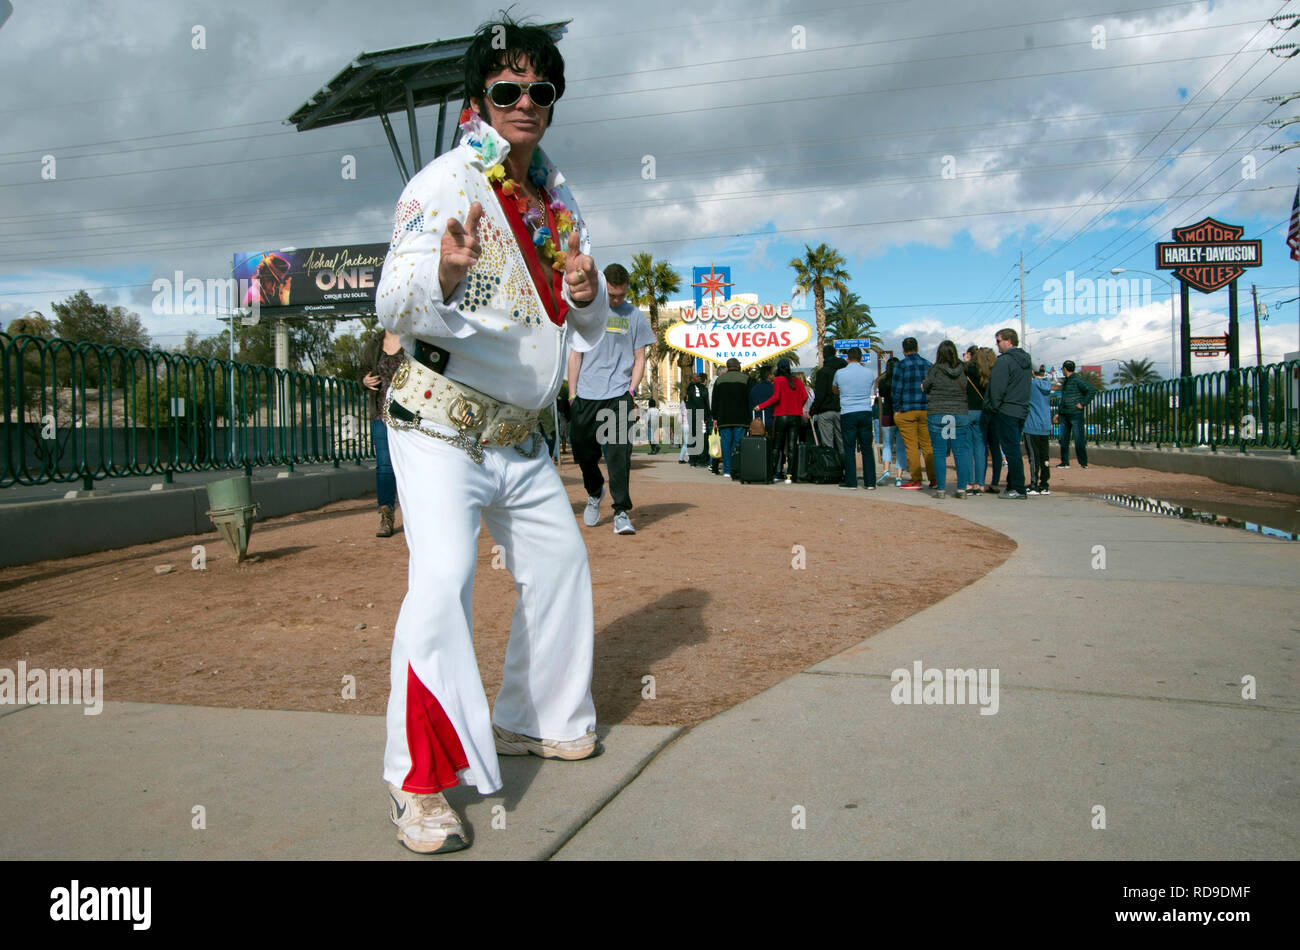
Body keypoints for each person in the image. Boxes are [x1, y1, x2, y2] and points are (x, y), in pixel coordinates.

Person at [374, 16, 609, 855]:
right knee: (443, 576)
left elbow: (585, 311)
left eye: (539, 90)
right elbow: (392, 297)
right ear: (481, 99)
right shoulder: (446, 182)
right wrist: (441, 268)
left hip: (519, 437)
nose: (525, 103)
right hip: (439, 422)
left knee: (560, 562)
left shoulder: (556, 191)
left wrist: (584, 289)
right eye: (507, 89)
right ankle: (419, 783)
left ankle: (529, 716)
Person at [567, 263, 654, 535]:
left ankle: (621, 512)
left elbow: (640, 357)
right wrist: (572, 394)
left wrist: (631, 390)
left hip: (619, 394)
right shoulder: (587, 312)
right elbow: (576, 354)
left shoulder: (635, 317)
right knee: (583, 452)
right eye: (613, 295)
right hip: (586, 394)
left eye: (622, 295)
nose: (617, 300)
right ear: (603, 287)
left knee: (618, 454)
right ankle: (594, 492)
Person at [360, 328, 405, 536]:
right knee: (385, 466)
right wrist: (364, 381)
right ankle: (386, 515)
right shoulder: (374, 344)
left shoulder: (412, 339)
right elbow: (361, 372)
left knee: (411, 466)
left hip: (409, 416)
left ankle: (418, 514)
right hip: (380, 415)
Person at [984, 328, 1032, 499]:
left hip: (1006, 410)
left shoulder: (1004, 361)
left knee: (1011, 450)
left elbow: (996, 388)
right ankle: (1013, 484)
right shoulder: (1025, 361)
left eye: (998, 341)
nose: (996, 345)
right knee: (1014, 449)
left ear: (1008, 341)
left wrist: (994, 407)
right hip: (1021, 409)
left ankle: (1018, 488)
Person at [921, 340, 971, 499]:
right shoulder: (963, 369)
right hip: (959, 413)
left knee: (939, 452)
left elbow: (926, 387)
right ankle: (961, 489)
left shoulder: (934, 370)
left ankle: (941, 489)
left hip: (938, 413)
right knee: (960, 452)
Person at [890, 337, 935, 490]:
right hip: (925, 409)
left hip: (907, 410)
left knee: (911, 447)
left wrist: (896, 409)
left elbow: (896, 389)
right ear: (917, 347)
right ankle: (934, 479)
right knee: (928, 446)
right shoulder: (928, 365)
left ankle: (916, 479)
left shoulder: (901, 365)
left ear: (903, 349)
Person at [754, 358, 809, 482]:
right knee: (791, 446)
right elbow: (805, 396)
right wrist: (797, 406)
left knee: (777, 446)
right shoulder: (797, 381)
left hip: (781, 416)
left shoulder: (778, 380)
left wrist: (761, 406)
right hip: (795, 416)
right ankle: (790, 475)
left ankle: (773, 474)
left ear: (778, 368)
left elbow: (776, 397)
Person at [833, 346, 876, 490]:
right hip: (865, 411)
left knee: (849, 447)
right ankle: (870, 482)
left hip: (848, 412)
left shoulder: (840, 373)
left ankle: (851, 481)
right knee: (867, 448)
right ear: (861, 358)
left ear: (847, 358)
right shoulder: (869, 373)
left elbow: (835, 389)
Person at [711, 358, 753, 478]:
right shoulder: (746, 379)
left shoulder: (719, 380)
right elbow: (750, 399)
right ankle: (737, 468)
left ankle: (727, 470)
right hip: (741, 418)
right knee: (738, 444)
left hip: (724, 418)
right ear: (738, 366)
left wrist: (715, 417)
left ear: (728, 367)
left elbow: (715, 401)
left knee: (725, 443)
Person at [1056, 359, 1096, 468]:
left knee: (1078, 438)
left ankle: (1083, 462)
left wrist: (1082, 403)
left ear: (1064, 369)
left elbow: (1091, 390)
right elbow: (1063, 399)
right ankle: (1065, 462)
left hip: (1075, 413)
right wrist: (1059, 413)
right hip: (1065, 413)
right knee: (1064, 439)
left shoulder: (1077, 380)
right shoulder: (1067, 381)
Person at [811, 343, 846, 456]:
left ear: (824, 356)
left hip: (825, 411)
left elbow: (820, 395)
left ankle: (831, 469)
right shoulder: (843, 369)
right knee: (842, 442)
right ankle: (846, 467)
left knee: (827, 444)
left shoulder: (823, 372)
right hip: (842, 410)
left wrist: (813, 411)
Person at [1024, 364, 1053, 495]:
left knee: (1033, 456)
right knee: (1044, 456)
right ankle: (1045, 484)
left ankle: (1034, 484)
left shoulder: (1031, 385)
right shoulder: (1047, 385)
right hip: (1045, 423)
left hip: (1032, 424)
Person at [684, 372, 711, 468]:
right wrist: (706, 415)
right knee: (702, 438)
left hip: (692, 416)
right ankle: (701, 460)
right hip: (699, 416)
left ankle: (693, 459)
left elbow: (686, 402)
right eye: (696, 376)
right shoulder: (698, 389)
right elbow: (703, 402)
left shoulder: (689, 389)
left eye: (699, 376)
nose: (698, 377)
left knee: (693, 437)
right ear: (692, 379)